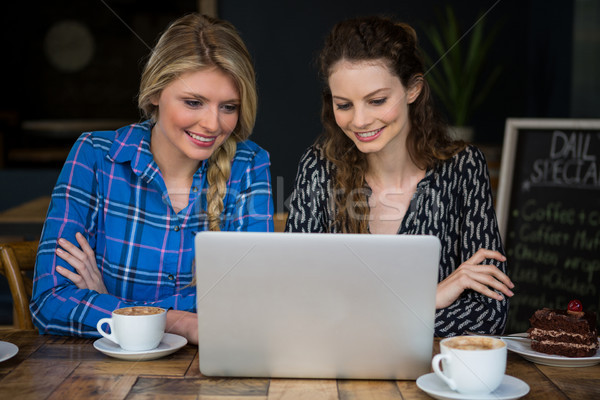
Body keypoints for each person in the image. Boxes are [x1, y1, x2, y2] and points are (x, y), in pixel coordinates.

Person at [30, 13, 274, 344]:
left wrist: (115, 308)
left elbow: (252, 301)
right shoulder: (95, 156)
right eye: (193, 102)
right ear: (156, 93)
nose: (213, 124)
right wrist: (179, 321)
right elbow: (50, 302)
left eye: (228, 107)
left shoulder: (248, 164)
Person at [285, 16, 514, 337]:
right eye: (344, 105)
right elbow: (294, 298)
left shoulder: (464, 167)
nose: (360, 120)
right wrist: (426, 299)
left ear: (413, 90)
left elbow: (490, 313)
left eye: (377, 100)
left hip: (431, 379)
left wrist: (358, 320)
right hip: (337, 377)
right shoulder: (319, 166)